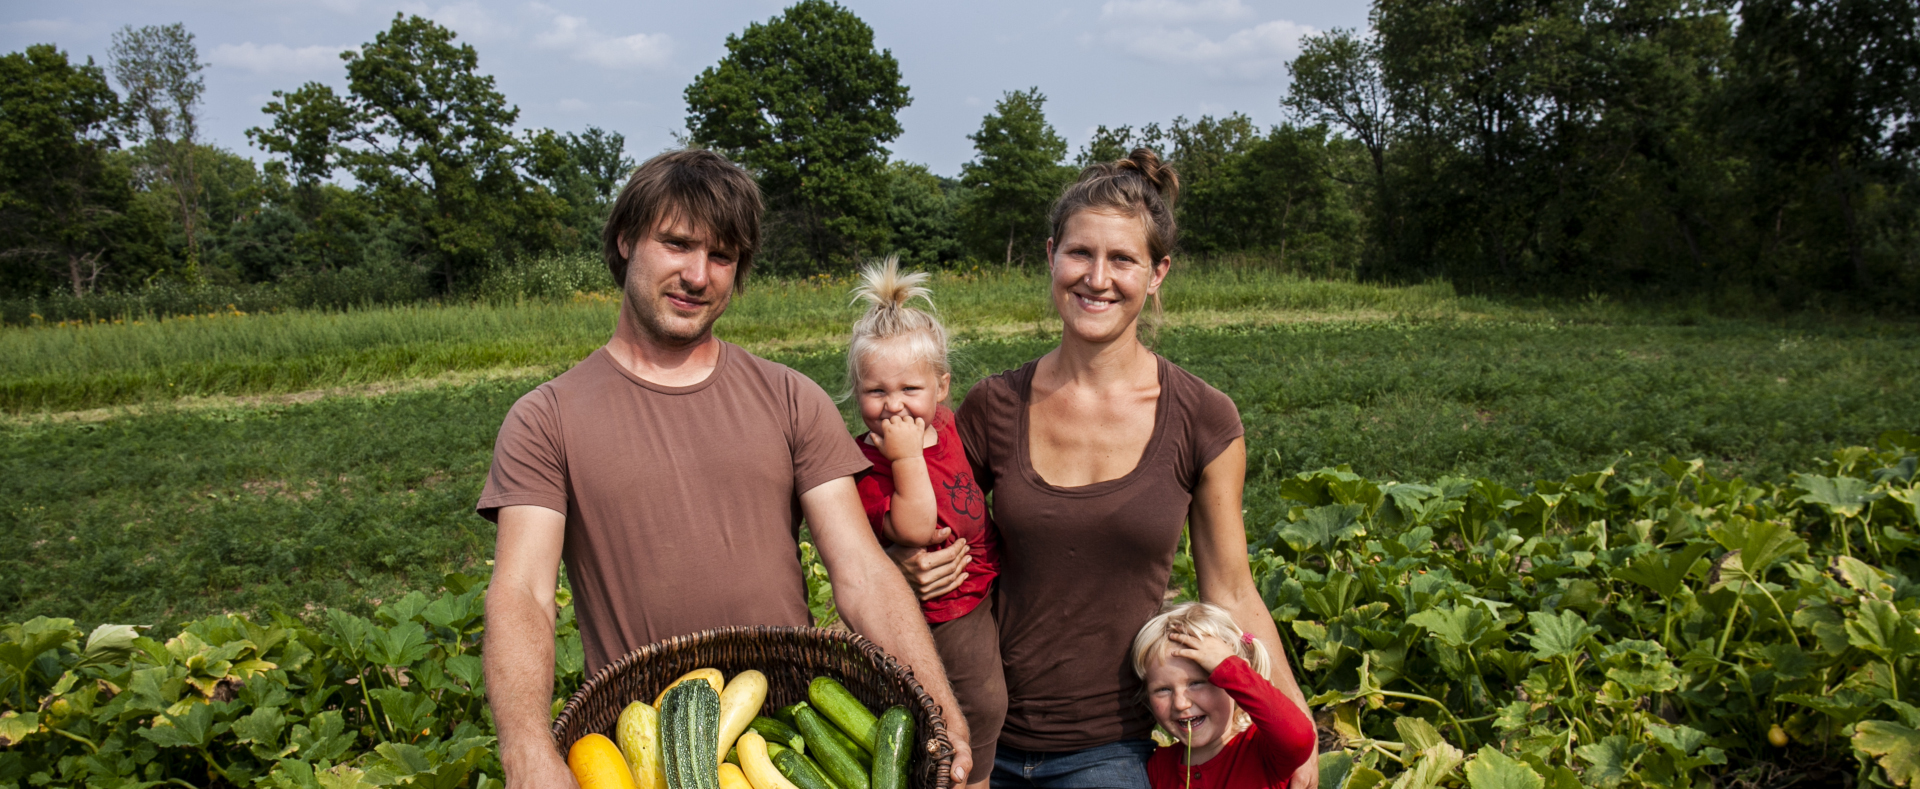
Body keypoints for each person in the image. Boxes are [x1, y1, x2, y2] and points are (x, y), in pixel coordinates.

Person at [479, 149, 970, 789]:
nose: (697, 275)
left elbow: (861, 572)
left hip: (787, 737)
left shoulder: (791, 398)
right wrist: (526, 753)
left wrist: (939, 705)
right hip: (646, 752)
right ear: (626, 241)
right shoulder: (547, 418)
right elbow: (522, 594)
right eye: (677, 244)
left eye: (721, 256)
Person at [890, 148, 1317, 789]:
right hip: (970, 731)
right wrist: (906, 563)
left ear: (1158, 273)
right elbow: (925, 537)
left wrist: (1299, 731)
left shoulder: (1203, 418)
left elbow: (1230, 589)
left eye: (1122, 259)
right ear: (1050, 256)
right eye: (1080, 254)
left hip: (1108, 750)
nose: (1097, 278)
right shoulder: (991, 407)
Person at [845, 257, 1005, 789]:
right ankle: (969, 781)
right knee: (971, 705)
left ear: (941, 386)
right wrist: (907, 457)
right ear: (856, 391)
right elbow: (914, 530)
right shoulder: (869, 466)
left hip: (979, 592)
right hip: (936, 612)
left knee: (990, 699)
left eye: (910, 390)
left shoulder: (950, 427)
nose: (894, 407)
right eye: (876, 392)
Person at [1132, 603, 1317, 789]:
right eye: (1163, 689)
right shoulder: (1159, 766)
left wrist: (1231, 667)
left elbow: (1299, 738)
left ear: (1231, 682)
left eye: (1196, 683)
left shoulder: (1263, 750)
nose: (1180, 703)